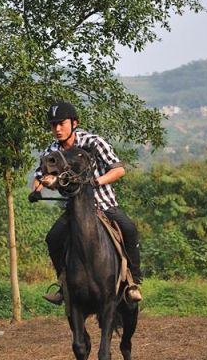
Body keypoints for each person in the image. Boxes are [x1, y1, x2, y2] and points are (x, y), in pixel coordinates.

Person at [29, 101, 143, 304]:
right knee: (52, 238)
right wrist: (38, 189)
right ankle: (63, 284)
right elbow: (40, 177)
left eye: (61, 123)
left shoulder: (93, 142)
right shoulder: (51, 151)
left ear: (74, 123)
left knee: (130, 229)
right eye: (53, 124)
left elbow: (119, 169)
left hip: (104, 204)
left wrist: (96, 181)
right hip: (74, 209)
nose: (57, 129)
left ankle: (132, 281)